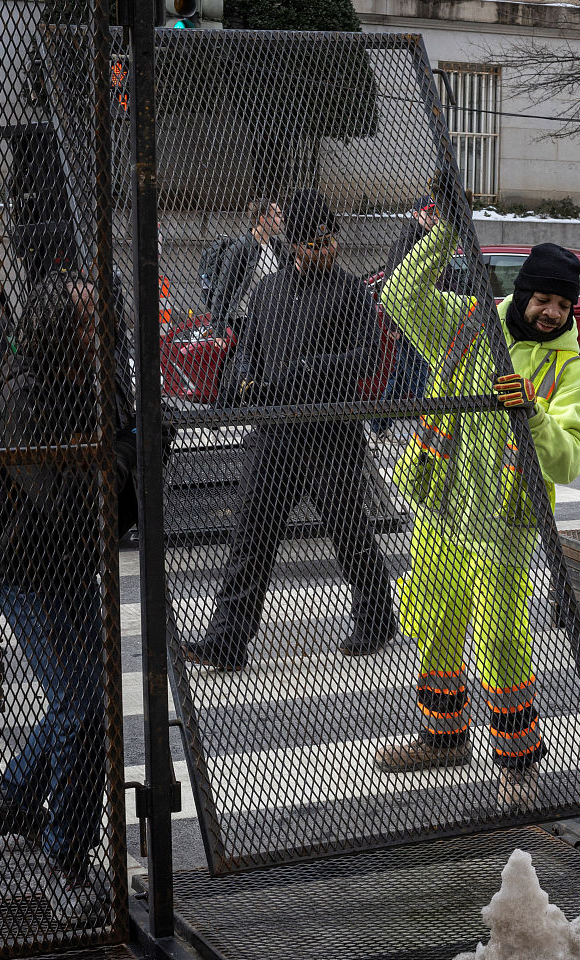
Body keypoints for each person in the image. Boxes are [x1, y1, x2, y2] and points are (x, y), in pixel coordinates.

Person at [374, 205, 580, 809]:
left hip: (503, 523)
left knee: (501, 639)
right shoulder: (468, 323)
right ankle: (443, 737)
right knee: (430, 623)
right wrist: (443, 228)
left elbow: (570, 460)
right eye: (543, 299)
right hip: (439, 507)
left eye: (563, 305)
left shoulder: (567, 371)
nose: (551, 313)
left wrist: (535, 413)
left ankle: (519, 761)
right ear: (522, 293)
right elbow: (401, 296)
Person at [0, 272, 138, 923]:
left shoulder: (98, 373)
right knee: (85, 707)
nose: (102, 330)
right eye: (85, 321)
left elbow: (122, 458)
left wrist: (104, 455)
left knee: (80, 698)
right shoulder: (26, 397)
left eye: (102, 317)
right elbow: (69, 501)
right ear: (54, 330)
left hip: (67, 557)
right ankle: (65, 861)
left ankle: (14, 795)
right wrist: (110, 455)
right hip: (24, 563)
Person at [180, 189, 396, 671]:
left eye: (330, 240)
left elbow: (365, 358)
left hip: (329, 432)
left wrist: (301, 370)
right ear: (294, 245)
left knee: (348, 528)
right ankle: (227, 640)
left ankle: (377, 617)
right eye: (315, 244)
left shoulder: (351, 291)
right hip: (273, 432)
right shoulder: (267, 291)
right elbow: (247, 348)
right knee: (251, 533)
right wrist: (241, 378)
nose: (327, 250)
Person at [372, 195, 441, 435]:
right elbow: (391, 284)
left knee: (403, 375)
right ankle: (431, 429)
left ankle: (379, 424)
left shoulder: (431, 241)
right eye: (429, 213)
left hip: (422, 319)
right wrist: (393, 323)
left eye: (436, 213)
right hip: (409, 321)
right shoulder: (406, 243)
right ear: (415, 214)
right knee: (420, 376)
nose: (434, 218)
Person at [210, 197, 287, 331]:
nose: (283, 219)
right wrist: (218, 330)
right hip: (245, 320)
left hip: (272, 318)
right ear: (263, 218)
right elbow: (223, 289)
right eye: (278, 215)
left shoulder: (277, 247)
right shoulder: (240, 249)